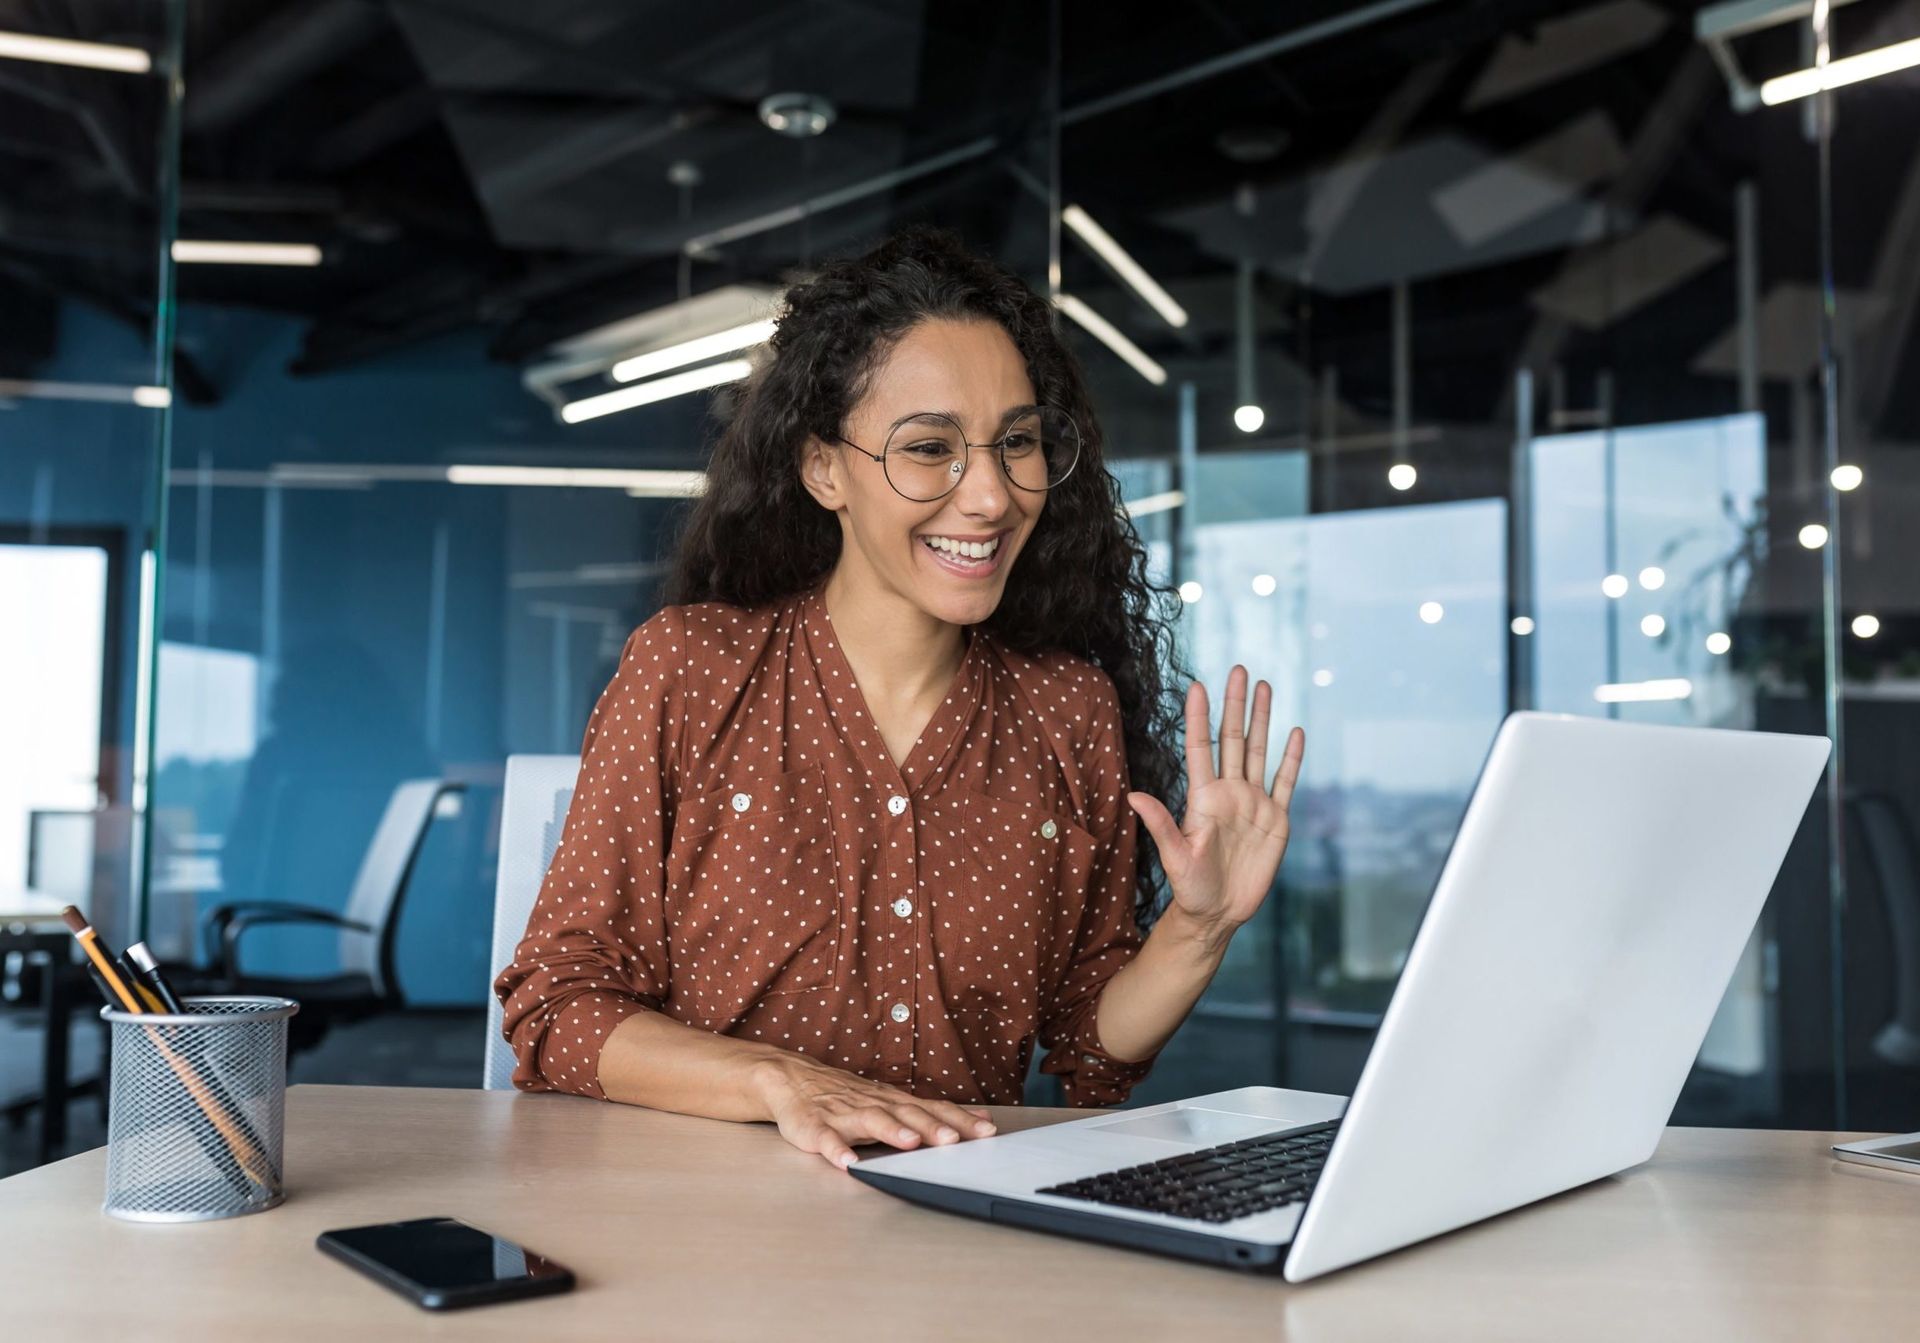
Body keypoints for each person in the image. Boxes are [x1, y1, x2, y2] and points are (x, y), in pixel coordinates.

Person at [495, 225, 1305, 1170]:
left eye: (1017, 443)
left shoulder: (1066, 710)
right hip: (700, 1226)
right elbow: (558, 1005)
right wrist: (774, 1082)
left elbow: (1090, 1045)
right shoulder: (689, 669)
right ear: (824, 467)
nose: (992, 497)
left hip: (953, 1230)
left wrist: (1198, 930)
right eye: (931, 448)